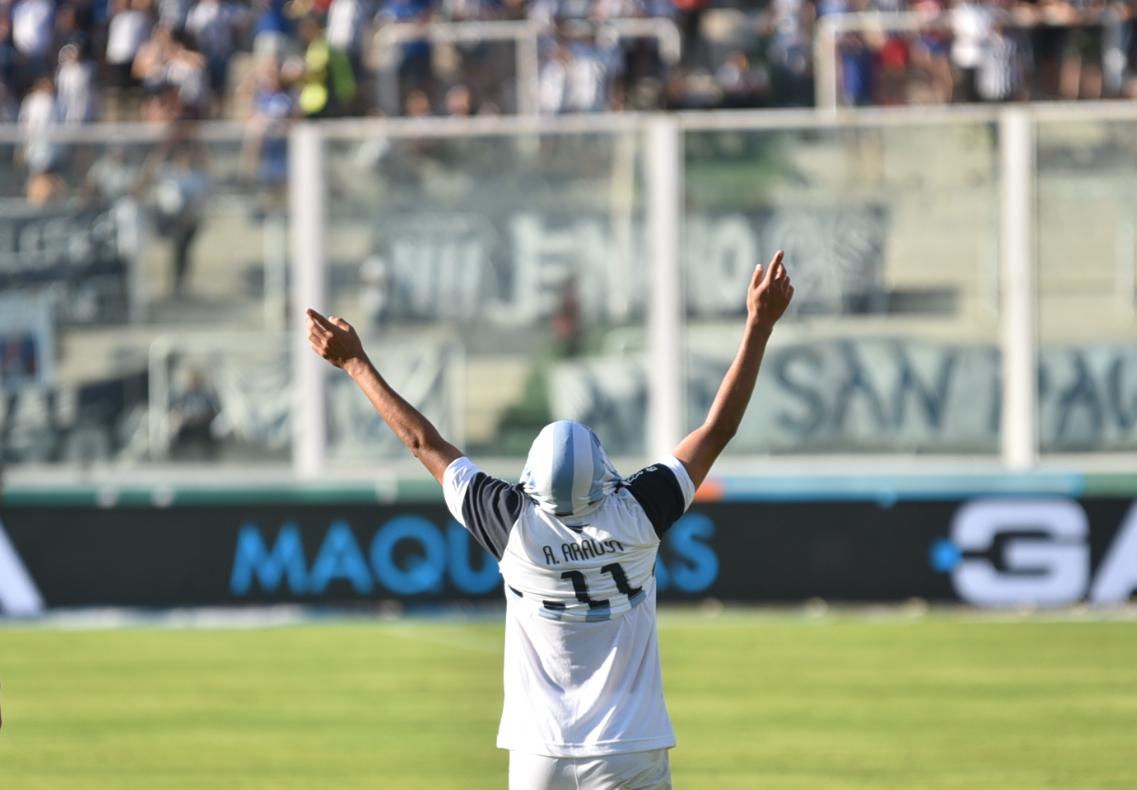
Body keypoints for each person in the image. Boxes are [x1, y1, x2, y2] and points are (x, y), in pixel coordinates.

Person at [305, 249, 795, 790]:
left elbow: (423, 441)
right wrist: (758, 326)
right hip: (630, 747)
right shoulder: (638, 513)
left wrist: (355, 364)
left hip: (540, 753)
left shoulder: (511, 524)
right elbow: (717, 428)